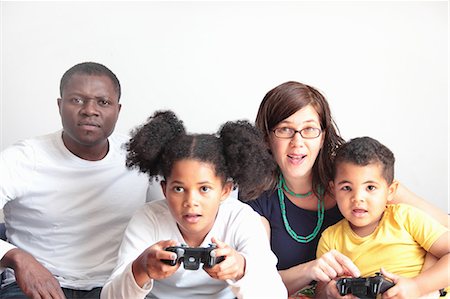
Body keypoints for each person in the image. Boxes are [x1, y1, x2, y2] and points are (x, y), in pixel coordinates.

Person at [242, 81, 450, 296]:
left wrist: (424, 284)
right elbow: (257, 281)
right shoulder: (257, 197)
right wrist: (309, 271)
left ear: (323, 136)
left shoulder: (356, 174)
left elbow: (443, 227)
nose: (298, 142)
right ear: (267, 137)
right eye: (285, 129)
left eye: (309, 129)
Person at [0, 62, 149, 299]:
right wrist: (16, 257)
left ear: (118, 110)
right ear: (60, 106)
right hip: (33, 285)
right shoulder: (23, 158)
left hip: (112, 286)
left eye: (103, 102)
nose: (90, 110)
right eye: (77, 100)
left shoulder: (140, 157)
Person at [100, 110, 287, 299]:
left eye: (204, 189)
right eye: (179, 189)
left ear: (225, 191)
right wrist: (141, 269)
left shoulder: (242, 219)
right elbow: (109, 297)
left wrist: (241, 267)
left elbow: (276, 295)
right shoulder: (148, 218)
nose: (191, 202)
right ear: (165, 190)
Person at [316, 136, 449, 299]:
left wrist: (418, 287)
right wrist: (330, 292)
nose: (358, 198)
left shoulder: (405, 218)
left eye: (370, 187)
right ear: (333, 190)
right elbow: (320, 291)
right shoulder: (330, 239)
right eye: (346, 188)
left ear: (391, 191)